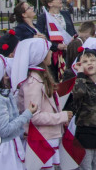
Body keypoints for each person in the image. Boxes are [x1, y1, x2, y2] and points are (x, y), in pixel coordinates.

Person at [15, 38, 72, 170]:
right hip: (41, 139)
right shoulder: (33, 82)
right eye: (49, 51)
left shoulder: (40, 78)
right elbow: (34, 116)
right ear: (40, 56)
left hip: (48, 136)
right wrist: (61, 117)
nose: (52, 53)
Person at [36, 0, 76, 79]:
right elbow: (41, 37)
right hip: (54, 54)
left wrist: (74, 38)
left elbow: (72, 31)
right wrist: (56, 46)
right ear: (50, 3)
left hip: (69, 51)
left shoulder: (66, 14)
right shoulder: (43, 17)